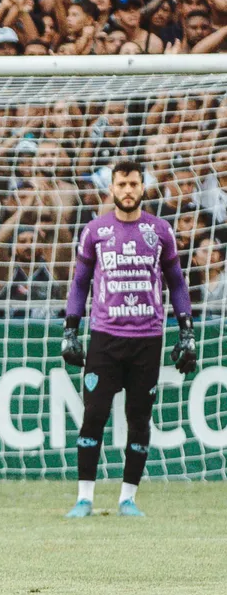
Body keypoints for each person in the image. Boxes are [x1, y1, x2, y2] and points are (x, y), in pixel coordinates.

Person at [61, 161, 196, 519]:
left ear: (142, 187)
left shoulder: (160, 231)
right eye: (122, 184)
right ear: (112, 187)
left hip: (147, 338)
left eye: (134, 184)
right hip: (105, 337)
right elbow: (79, 283)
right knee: (94, 416)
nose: (128, 190)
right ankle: (84, 498)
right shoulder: (95, 231)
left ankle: (127, 498)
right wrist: (70, 329)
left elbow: (177, 282)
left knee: (139, 418)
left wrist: (187, 331)